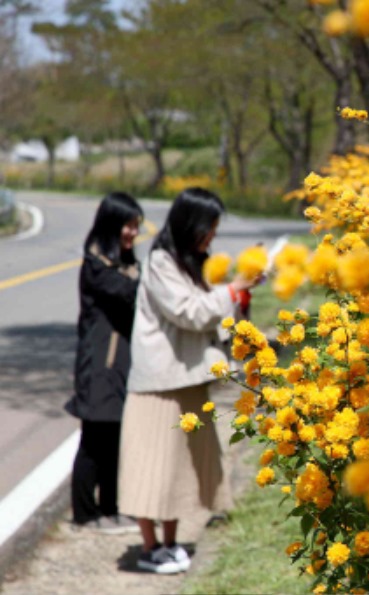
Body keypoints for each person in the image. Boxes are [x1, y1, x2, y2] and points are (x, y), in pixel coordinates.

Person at [118, 187, 258, 574]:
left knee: (180, 468)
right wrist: (234, 289)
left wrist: (236, 295)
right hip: (158, 385)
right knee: (151, 467)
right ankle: (149, 550)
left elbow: (209, 307)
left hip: (187, 379)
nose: (212, 236)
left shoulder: (188, 261)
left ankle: (169, 544)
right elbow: (190, 312)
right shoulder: (161, 262)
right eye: (209, 228)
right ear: (191, 224)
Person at [65, 192, 144, 534]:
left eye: (136, 226)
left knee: (115, 437)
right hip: (100, 364)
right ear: (112, 225)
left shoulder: (124, 263)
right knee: (95, 438)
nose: (133, 233)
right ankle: (85, 514)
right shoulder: (99, 265)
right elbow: (130, 294)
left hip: (118, 365)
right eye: (128, 225)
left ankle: (111, 508)